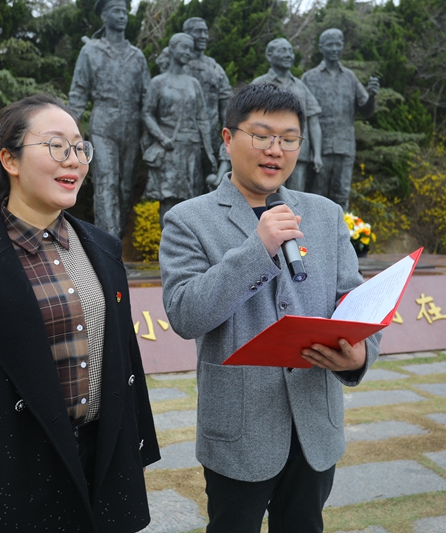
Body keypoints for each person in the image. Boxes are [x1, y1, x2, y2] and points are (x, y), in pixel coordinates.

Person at [0, 94, 160, 533]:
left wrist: (134, 455)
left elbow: (125, 363)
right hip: (12, 473)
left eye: (80, 147)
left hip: (100, 463)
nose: (74, 159)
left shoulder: (103, 248)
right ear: (10, 159)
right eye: (57, 145)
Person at [159, 83, 381, 533]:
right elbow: (185, 314)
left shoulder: (325, 214)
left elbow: (354, 301)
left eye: (289, 138)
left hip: (315, 425)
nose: (275, 150)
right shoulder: (189, 220)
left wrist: (361, 354)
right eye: (261, 136)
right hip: (239, 429)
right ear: (228, 139)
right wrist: (256, 249)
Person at [68, 0, 150, 237]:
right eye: (116, 11)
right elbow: (78, 94)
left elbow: (147, 98)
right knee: (106, 183)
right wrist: (68, 132)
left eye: (124, 11)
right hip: (104, 123)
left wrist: (149, 132)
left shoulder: (137, 56)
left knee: (125, 188)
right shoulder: (90, 51)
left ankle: (115, 240)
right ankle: (108, 244)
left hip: (132, 125)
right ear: (104, 16)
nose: (122, 15)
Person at [142, 32, 216, 226]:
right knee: (169, 199)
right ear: (172, 48)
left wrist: (209, 152)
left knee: (191, 201)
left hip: (191, 149)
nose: (187, 52)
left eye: (190, 49)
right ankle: (167, 244)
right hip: (170, 149)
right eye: (184, 47)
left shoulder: (194, 84)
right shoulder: (158, 82)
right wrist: (161, 137)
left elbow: (202, 118)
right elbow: (147, 114)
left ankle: (187, 244)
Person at [302, 28, 379, 210]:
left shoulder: (350, 77)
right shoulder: (309, 78)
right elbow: (299, 116)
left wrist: (372, 96)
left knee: (342, 196)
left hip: (345, 147)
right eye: (330, 45)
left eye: (338, 44)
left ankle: (341, 229)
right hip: (319, 149)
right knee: (316, 196)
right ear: (321, 47)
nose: (334, 49)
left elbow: (366, 111)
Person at [252, 38, 323, 193]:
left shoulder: (300, 86)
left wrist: (317, 154)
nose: (289, 55)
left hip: (298, 154)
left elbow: (313, 120)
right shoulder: (259, 84)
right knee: (268, 196)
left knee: (296, 198)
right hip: (267, 153)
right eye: (283, 50)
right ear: (269, 55)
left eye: (290, 51)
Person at [183, 17, 231, 187]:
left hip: (211, 140)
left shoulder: (215, 68)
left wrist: (228, 136)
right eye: (198, 32)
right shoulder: (179, 66)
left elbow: (227, 106)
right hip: (183, 140)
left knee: (208, 189)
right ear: (187, 34)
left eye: (205, 32)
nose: (204, 36)